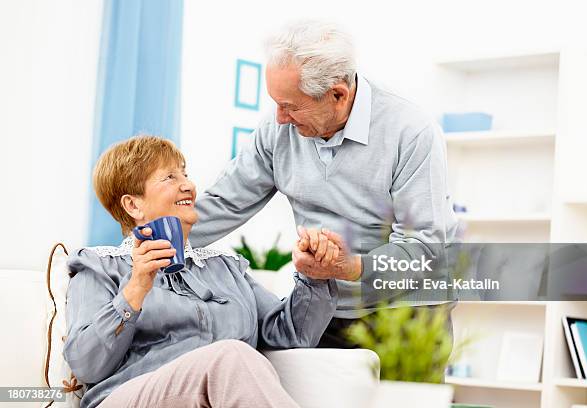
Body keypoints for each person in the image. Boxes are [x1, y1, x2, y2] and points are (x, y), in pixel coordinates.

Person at [190, 20, 458, 348]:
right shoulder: (278, 132)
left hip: (406, 312)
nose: (279, 118)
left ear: (338, 95)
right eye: (276, 103)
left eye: (290, 106)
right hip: (326, 309)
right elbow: (224, 202)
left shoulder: (411, 131)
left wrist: (351, 267)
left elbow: (423, 249)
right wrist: (145, 244)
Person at [64, 136, 338, 408]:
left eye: (185, 174)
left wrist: (314, 275)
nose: (189, 186)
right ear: (133, 205)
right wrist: (135, 289)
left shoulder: (225, 267)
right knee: (230, 356)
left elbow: (290, 335)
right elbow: (86, 364)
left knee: (230, 358)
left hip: (216, 392)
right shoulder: (100, 266)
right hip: (128, 397)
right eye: (170, 177)